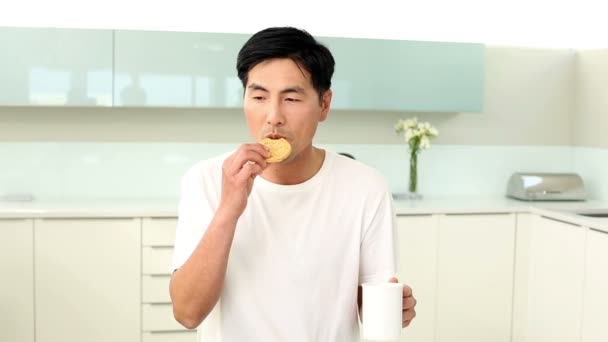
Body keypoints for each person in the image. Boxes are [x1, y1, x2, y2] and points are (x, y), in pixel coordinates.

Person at [169, 26, 417, 341]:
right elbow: (187, 313)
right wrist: (229, 209)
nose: (273, 116)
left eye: (291, 98)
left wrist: (394, 310)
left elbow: (372, 308)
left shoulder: (366, 187)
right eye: (259, 96)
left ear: (324, 104)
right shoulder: (206, 180)